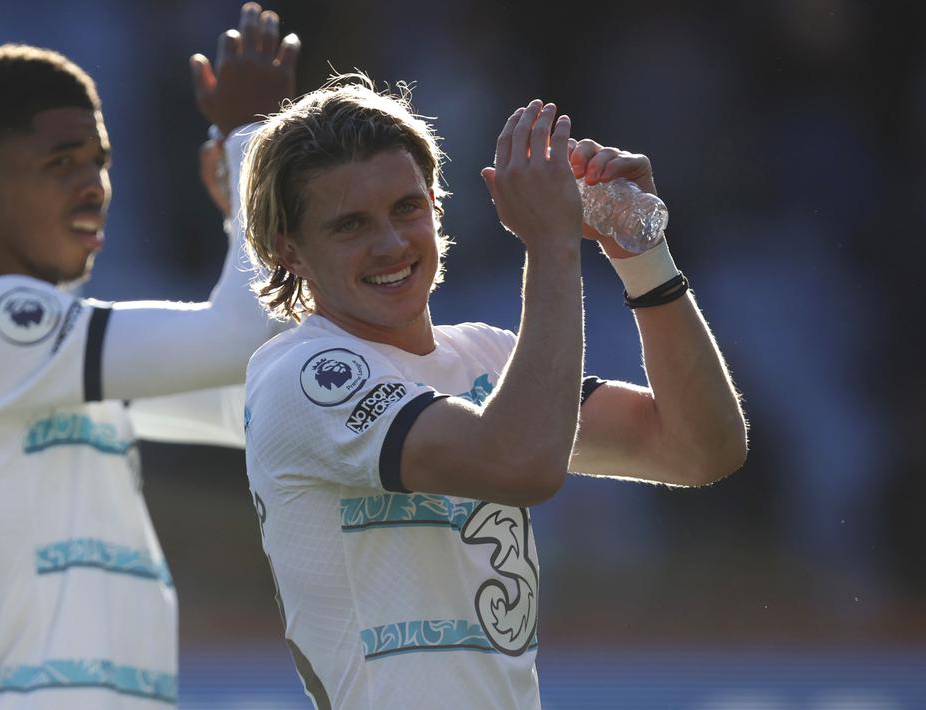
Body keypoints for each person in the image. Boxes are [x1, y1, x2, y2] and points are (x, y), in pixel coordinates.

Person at [239, 78, 749, 708]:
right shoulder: (301, 372)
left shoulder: (486, 355)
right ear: (288, 249)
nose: (392, 244)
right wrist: (552, 242)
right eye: (350, 225)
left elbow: (700, 450)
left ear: (435, 204)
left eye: (406, 208)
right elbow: (519, 463)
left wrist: (640, 254)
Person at [0, 5, 298, 707]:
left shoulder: (47, 351)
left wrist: (244, 217)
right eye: (61, 163)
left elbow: (258, 403)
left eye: (99, 162)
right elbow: (240, 339)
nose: (93, 187)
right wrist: (249, 142)